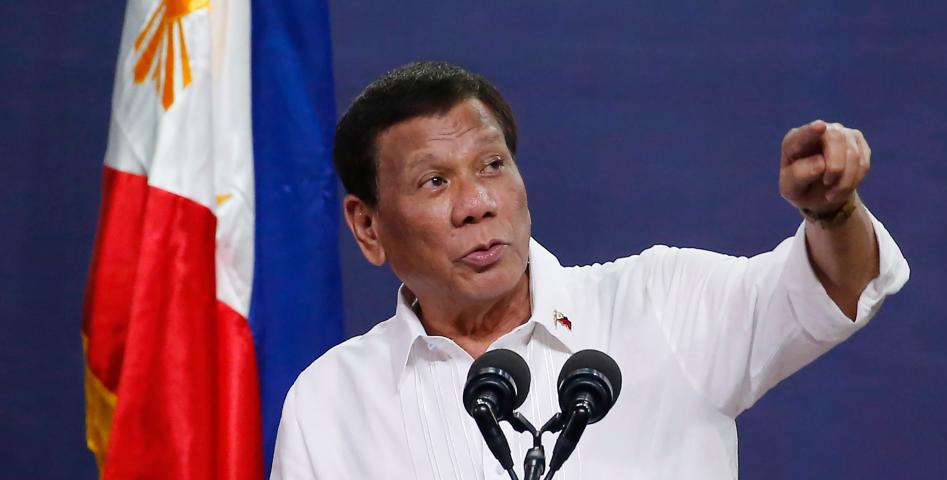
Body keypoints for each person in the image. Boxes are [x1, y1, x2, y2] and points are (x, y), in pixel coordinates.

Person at [270, 61, 909, 479]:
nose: (477, 204)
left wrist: (833, 213)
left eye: (492, 166)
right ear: (367, 226)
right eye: (435, 181)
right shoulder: (331, 402)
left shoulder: (659, 303)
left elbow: (836, 287)